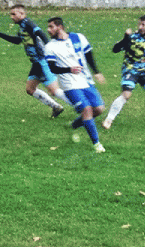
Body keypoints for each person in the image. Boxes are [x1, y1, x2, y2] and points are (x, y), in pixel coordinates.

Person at [0, 4, 70, 118]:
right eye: (10, 14)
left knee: (55, 91)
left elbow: (40, 33)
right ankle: (56, 107)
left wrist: (50, 49)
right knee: (30, 89)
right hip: (36, 63)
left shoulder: (28, 23)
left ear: (22, 14)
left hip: (42, 61)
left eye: (14, 14)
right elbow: (17, 40)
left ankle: (83, 107)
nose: (11, 17)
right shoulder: (23, 26)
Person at [43, 17, 107, 153]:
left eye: (51, 27)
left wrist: (97, 72)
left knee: (99, 109)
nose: (48, 30)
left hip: (86, 80)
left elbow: (89, 54)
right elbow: (53, 68)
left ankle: (74, 124)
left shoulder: (79, 37)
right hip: (69, 84)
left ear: (59, 27)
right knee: (87, 110)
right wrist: (68, 70)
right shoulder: (50, 47)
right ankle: (97, 144)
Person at [102, 15, 145, 130]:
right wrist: (125, 39)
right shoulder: (132, 37)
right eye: (139, 24)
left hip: (144, 72)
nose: (140, 27)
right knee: (126, 95)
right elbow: (115, 49)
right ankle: (108, 120)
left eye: (143, 24)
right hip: (130, 70)